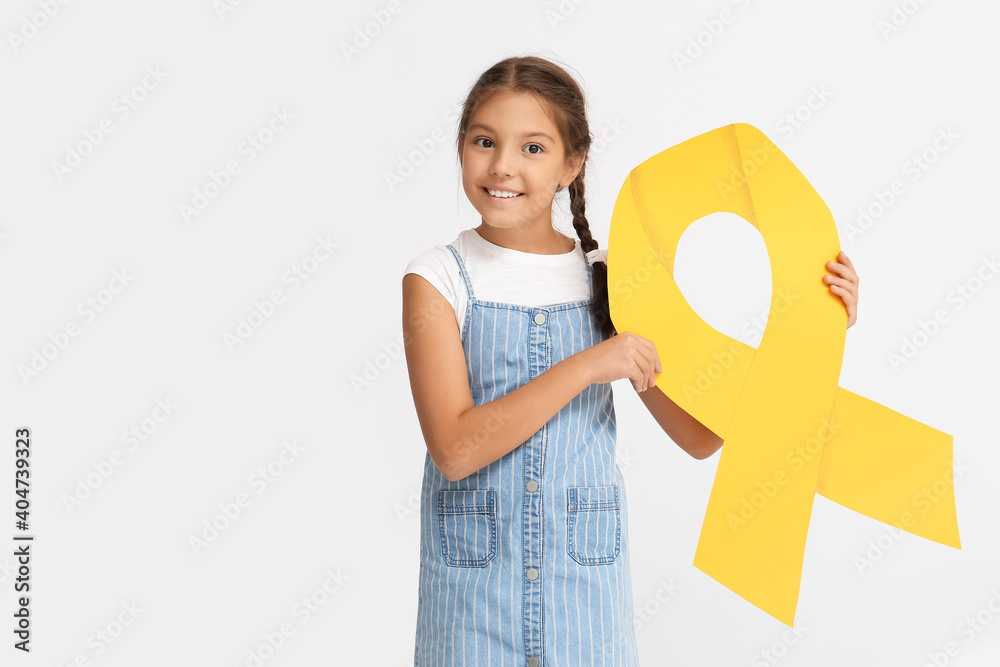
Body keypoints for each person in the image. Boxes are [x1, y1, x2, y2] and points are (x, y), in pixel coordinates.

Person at [401, 55, 859, 666]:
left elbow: (700, 437)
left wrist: (817, 329)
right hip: (472, 607)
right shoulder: (435, 279)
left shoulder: (615, 279)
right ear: (462, 148)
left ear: (572, 164)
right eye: (485, 141)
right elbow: (456, 451)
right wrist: (588, 365)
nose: (503, 166)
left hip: (583, 607)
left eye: (533, 148)